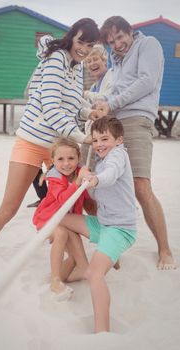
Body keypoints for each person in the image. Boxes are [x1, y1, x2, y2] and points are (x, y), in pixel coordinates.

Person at [0, 18, 100, 261]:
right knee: (10, 207)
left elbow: (69, 104)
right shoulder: (57, 59)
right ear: (72, 36)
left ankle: (95, 245)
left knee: (78, 200)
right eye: (81, 41)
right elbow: (51, 108)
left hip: (58, 149)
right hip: (32, 143)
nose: (84, 48)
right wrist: (83, 138)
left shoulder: (76, 66)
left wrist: (87, 113)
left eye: (90, 45)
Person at [93, 16, 175, 269]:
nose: (117, 44)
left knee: (140, 185)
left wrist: (112, 104)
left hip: (137, 119)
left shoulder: (148, 44)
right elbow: (113, 93)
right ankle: (111, 244)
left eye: (120, 37)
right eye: (111, 41)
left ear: (130, 31)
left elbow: (146, 81)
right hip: (114, 121)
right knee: (105, 183)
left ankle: (165, 249)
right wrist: (96, 101)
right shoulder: (116, 63)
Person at [59, 116, 137, 332]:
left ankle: (102, 332)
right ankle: (77, 262)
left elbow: (110, 175)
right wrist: (86, 176)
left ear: (119, 140)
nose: (99, 144)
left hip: (120, 229)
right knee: (61, 220)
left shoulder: (118, 156)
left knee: (95, 274)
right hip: (103, 224)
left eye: (105, 139)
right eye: (95, 140)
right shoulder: (100, 162)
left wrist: (95, 179)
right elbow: (94, 188)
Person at [33, 138, 95, 300]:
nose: (66, 164)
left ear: (78, 158)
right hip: (48, 219)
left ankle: (70, 274)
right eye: (60, 159)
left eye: (71, 159)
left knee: (75, 256)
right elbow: (62, 199)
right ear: (52, 160)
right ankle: (55, 281)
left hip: (67, 220)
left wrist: (90, 180)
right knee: (61, 234)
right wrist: (78, 181)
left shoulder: (79, 172)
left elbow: (88, 198)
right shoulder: (54, 178)